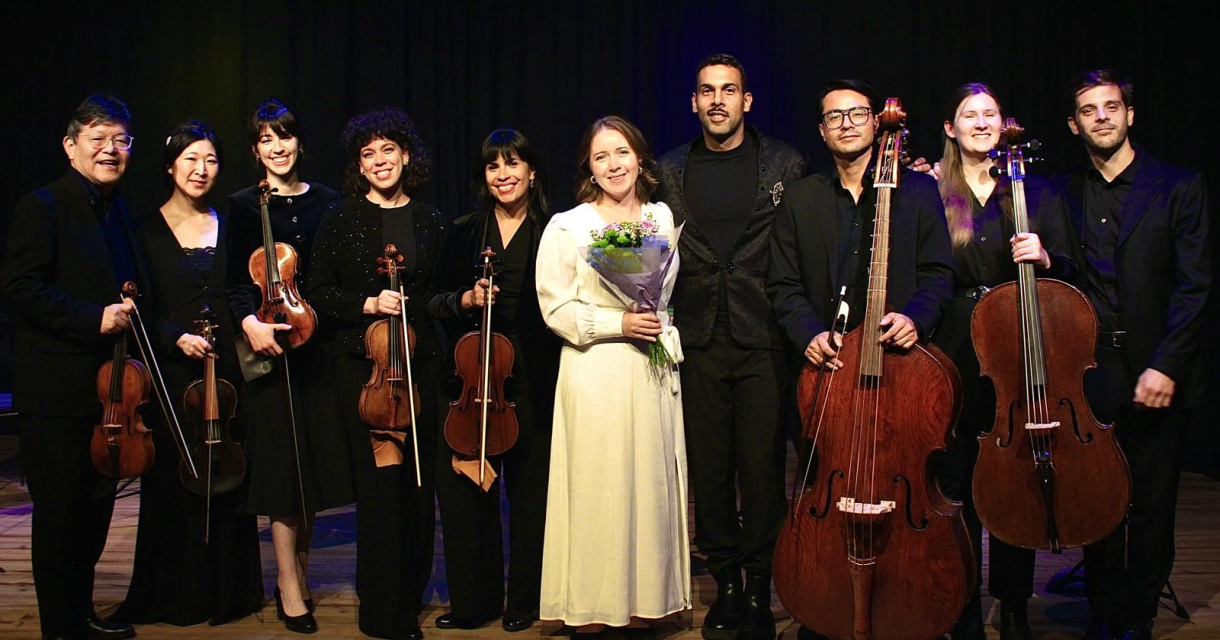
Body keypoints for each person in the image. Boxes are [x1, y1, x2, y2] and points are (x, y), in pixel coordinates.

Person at [766, 80, 954, 640]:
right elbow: (783, 283)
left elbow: (939, 273)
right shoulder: (801, 198)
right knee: (829, 478)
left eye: (857, 113)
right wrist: (806, 333)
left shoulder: (916, 191)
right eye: (833, 117)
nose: (846, 123)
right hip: (830, 373)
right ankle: (825, 602)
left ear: (877, 123)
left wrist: (915, 316)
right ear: (822, 132)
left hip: (901, 369)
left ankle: (910, 599)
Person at [655, 53, 805, 640]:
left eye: (730, 90)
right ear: (694, 102)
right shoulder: (666, 170)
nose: (718, 100)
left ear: (747, 101)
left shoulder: (787, 164)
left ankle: (761, 588)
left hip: (764, 337)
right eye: (706, 91)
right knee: (710, 474)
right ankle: (726, 585)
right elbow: (637, 238)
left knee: (763, 472)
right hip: (694, 342)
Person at [1058, 70, 1210, 640]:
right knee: (1097, 499)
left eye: (1112, 106)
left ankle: (1139, 614)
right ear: (1075, 125)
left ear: (1129, 115)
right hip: (1092, 370)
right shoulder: (1062, 191)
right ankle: (1104, 608)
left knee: (1150, 502)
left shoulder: (1180, 186)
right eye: (1089, 110)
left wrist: (1167, 365)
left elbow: (1194, 286)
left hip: (1154, 368)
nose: (1102, 116)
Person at [925, 84, 1076, 640]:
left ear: (1004, 123)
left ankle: (1012, 602)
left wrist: (1045, 255)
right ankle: (961, 601)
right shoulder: (931, 188)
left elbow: (1071, 271)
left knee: (1015, 477)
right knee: (956, 476)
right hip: (952, 346)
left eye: (990, 114)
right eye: (970, 115)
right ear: (950, 128)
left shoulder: (1033, 190)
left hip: (1017, 344)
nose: (982, 123)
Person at [536, 115, 689, 636]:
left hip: (648, 369)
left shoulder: (661, 217)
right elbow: (554, 309)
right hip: (595, 370)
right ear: (589, 168)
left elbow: (664, 294)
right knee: (599, 489)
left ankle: (648, 601)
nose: (613, 164)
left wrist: (652, 323)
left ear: (640, 158)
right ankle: (592, 608)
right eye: (601, 157)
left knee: (646, 484)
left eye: (621, 152)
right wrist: (617, 322)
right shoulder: (569, 225)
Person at [0, 93, 143, 640]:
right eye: (98, 139)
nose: (111, 150)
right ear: (70, 145)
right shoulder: (42, 205)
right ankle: (61, 627)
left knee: (94, 508)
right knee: (60, 514)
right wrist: (93, 318)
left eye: (120, 140)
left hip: (110, 393)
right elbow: (18, 288)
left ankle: (81, 614)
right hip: (57, 392)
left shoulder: (120, 209)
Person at [111, 122, 263, 627]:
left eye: (212, 160)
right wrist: (175, 335)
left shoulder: (232, 221)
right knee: (174, 482)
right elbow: (139, 307)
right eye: (191, 159)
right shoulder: (145, 230)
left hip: (227, 374)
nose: (202, 170)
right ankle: (175, 593)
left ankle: (228, 593)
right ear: (171, 166)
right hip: (174, 373)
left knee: (228, 475)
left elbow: (242, 290)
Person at [306, 107, 446, 640]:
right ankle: (381, 612)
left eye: (388, 150)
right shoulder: (340, 218)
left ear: (406, 155)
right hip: (364, 374)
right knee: (381, 492)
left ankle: (409, 600)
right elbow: (317, 292)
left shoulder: (431, 219)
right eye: (368, 154)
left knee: (417, 493)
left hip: (420, 368)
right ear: (359, 167)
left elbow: (434, 295)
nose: (379, 161)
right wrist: (368, 303)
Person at [225, 99, 353, 634]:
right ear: (256, 151)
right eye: (266, 140)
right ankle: (288, 582)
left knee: (312, 471)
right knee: (282, 472)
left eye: (285, 137)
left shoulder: (329, 201)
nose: (277, 147)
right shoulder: (241, 205)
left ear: (299, 143)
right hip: (270, 350)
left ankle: (298, 569)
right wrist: (248, 324)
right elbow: (233, 283)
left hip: (319, 353)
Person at [429, 129, 561, 632]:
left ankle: (525, 602)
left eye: (512, 164)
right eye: (493, 167)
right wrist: (464, 300)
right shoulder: (464, 231)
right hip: (471, 381)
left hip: (534, 383)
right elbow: (433, 300)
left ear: (531, 172)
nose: (503, 175)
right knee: (467, 499)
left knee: (531, 498)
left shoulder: (555, 230)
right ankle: (474, 602)